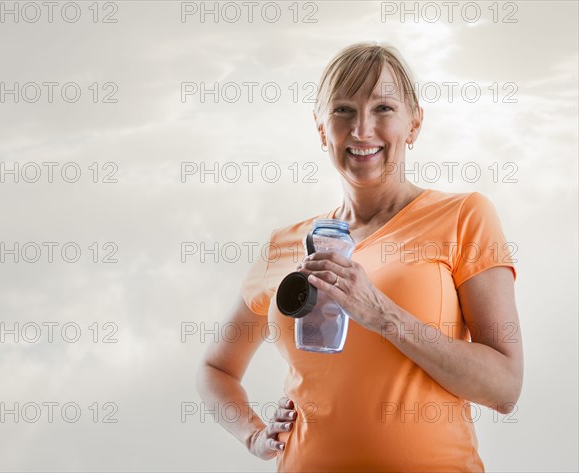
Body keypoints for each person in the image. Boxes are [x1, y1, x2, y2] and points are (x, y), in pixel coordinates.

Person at [196, 42, 523, 472]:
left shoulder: (464, 216)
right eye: (343, 110)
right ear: (320, 129)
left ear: (414, 124)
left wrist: (383, 314)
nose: (362, 130)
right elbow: (215, 367)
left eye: (383, 108)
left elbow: (503, 388)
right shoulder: (285, 243)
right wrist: (254, 435)